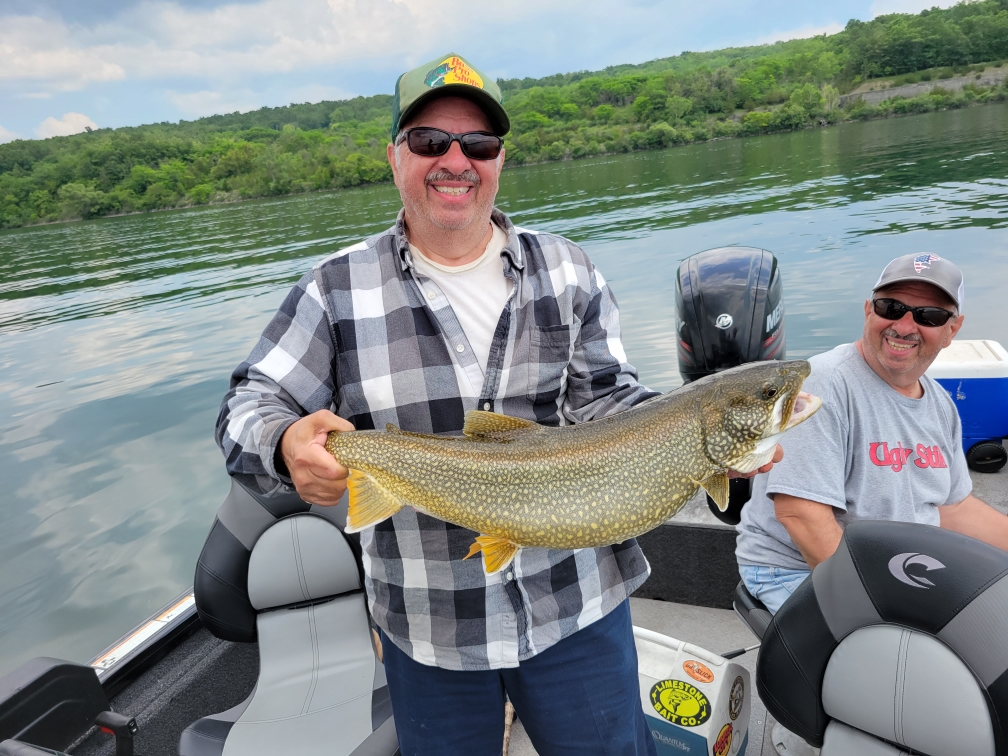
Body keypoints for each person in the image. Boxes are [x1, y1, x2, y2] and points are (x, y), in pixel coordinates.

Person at [216, 52, 781, 755]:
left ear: (499, 159)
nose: (456, 160)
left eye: (478, 144)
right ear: (394, 157)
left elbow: (609, 401)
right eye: (431, 141)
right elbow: (248, 404)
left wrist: (699, 438)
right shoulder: (333, 290)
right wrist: (284, 442)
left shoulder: (570, 270)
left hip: (575, 607)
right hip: (430, 626)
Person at [736, 253, 1008, 615]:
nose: (905, 326)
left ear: (951, 330)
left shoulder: (940, 403)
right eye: (891, 308)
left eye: (929, 315)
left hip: (895, 568)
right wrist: (882, 606)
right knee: (922, 646)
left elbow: (953, 508)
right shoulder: (821, 385)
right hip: (796, 569)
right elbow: (800, 513)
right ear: (868, 310)